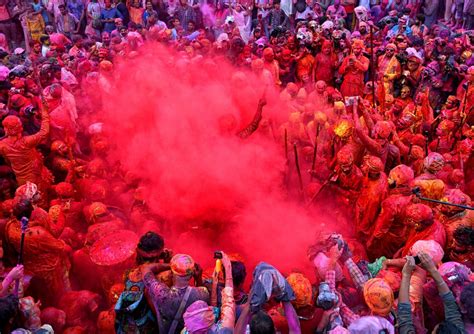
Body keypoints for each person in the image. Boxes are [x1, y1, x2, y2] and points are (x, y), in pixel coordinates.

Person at [142, 254, 209, 333]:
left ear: (171, 273)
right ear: (192, 275)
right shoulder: (203, 294)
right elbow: (201, 305)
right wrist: (198, 279)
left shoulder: (161, 293)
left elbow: (145, 268)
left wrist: (171, 265)